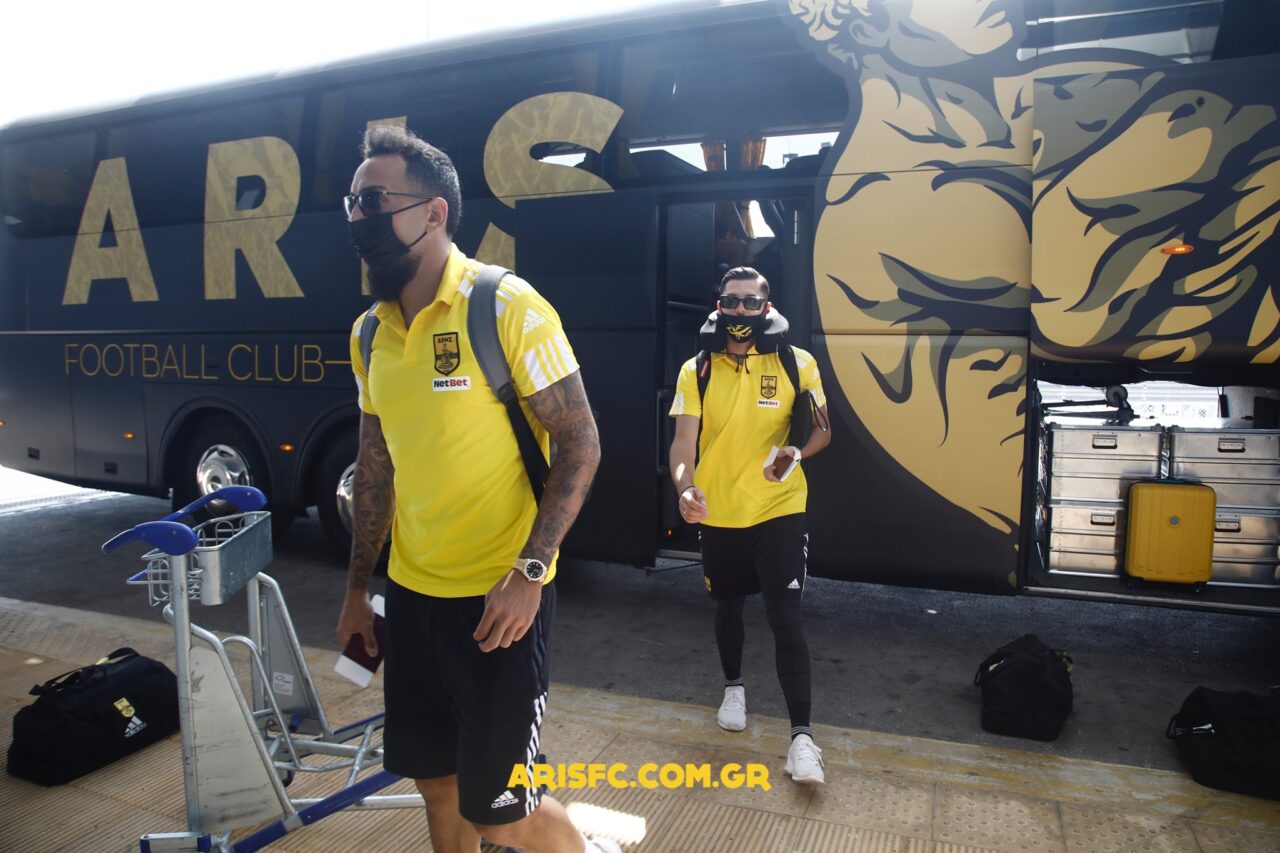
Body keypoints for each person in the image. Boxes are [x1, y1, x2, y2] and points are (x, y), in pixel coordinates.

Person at [335, 125, 613, 853]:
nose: (359, 217)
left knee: (503, 812)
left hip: (500, 604)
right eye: (353, 203)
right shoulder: (368, 335)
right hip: (413, 601)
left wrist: (530, 573)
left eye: (374, 200)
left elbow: (581, 443)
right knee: (437, 785)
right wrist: (358, 590)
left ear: (433, 213)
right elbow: (375, 466)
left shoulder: (506, 307)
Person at [668, 266, 833, 784]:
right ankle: (734, 687)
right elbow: (682, 444)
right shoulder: (697, 369)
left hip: (779, 507)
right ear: (719, 306)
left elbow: (823, 431)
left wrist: (795, 453)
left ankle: (802, 740)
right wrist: (685, 489)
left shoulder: (796, 362)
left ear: (767, 307)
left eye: (750, 302)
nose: (740, 311)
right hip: (719, 511)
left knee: (787, 617)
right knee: (727, 607)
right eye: (731, 301)